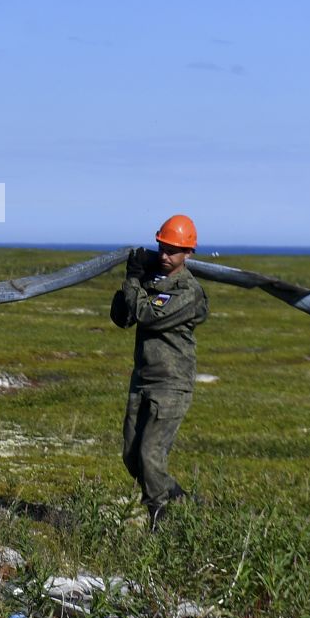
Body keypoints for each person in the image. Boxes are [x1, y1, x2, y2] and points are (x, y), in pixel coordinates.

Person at [111, 214, 210, 527]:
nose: (166, 256)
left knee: (151, 456)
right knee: (132, 455)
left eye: (174, 251)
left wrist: (132, 282)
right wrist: (134, 286)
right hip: (143, 379)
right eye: (162, 248)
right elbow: (127, 318)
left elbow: (149, 316)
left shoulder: (188, 291)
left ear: (189, 253)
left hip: (171, 384)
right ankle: (183, 501)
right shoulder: (155, 282)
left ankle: (161, 519)